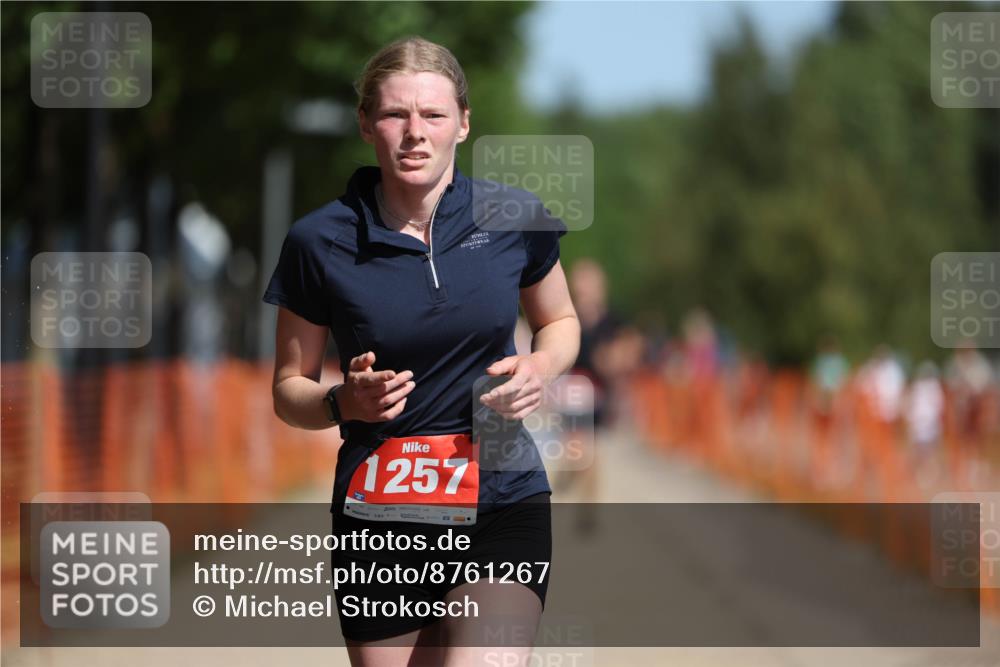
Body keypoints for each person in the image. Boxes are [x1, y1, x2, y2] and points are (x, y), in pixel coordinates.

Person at [264, 36, 580, 666]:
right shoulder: (318, 242)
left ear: (463, 123)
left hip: (500, 489)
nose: (414, 133)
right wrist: (339, 402)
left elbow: (562, 321)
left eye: (433, 115)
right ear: (365, 124)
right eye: (394, 114)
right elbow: (286, 390)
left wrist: (540, 366)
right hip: (382, 509)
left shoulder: (514, 217)